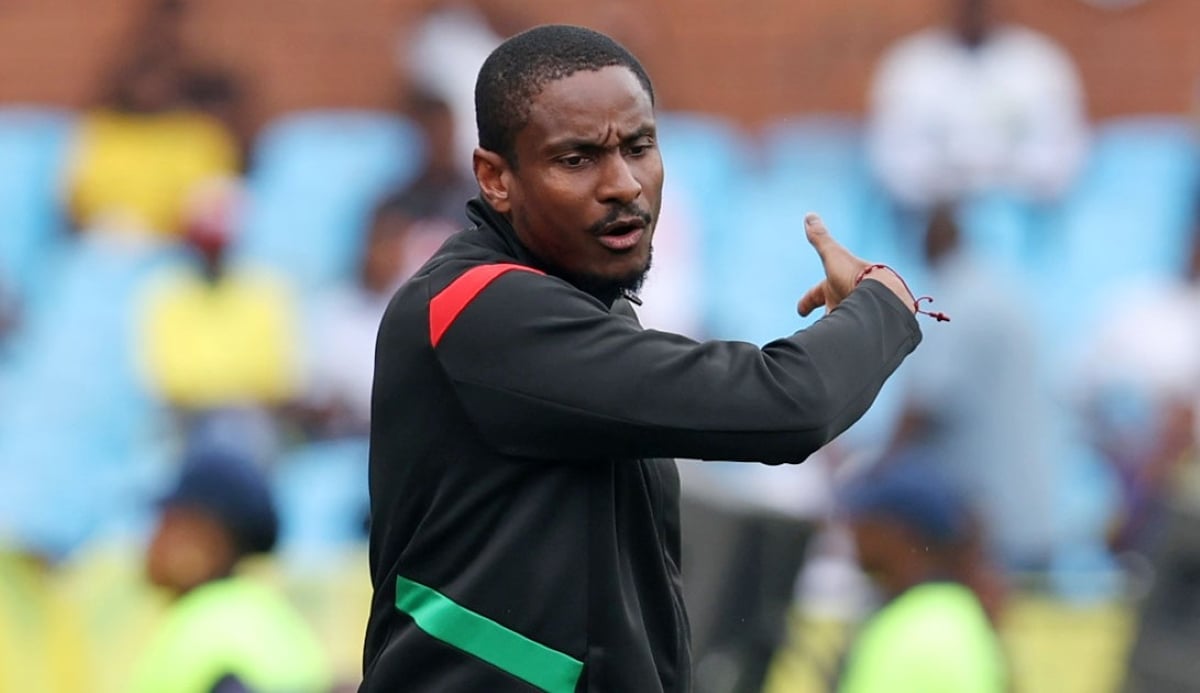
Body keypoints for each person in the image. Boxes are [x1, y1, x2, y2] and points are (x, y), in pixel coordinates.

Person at [363, 25, 926, 692]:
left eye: (639, 147)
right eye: (577, 159)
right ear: (495, 177)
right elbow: (789, 404)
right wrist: (885, 301)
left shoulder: (585, 307)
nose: (624, 184)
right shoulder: (479, 309)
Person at [886, 203, 1058, 570]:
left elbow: (925, 405)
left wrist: (875, 474)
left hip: (985, 524)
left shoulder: (956, 299)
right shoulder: (1002, 289)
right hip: (1029, 509)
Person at [130, 447, 332, 693]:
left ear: (206, 541)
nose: (152, 539)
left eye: (168, 522)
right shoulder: (271, 616)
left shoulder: (206, 627)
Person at [866, 0, 1088, 212]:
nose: (975, 9)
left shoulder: (1039, 64)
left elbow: (1061, 151)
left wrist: (1002, 182)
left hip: (1023, 211)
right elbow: (894, 157)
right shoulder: (911, 65)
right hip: (931, 217)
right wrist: (948, 185)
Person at [834, 459, 1008, 693]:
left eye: (864, 518)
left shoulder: (912, 627)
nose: (851, 529)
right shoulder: (956, 614)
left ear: (897, 531)